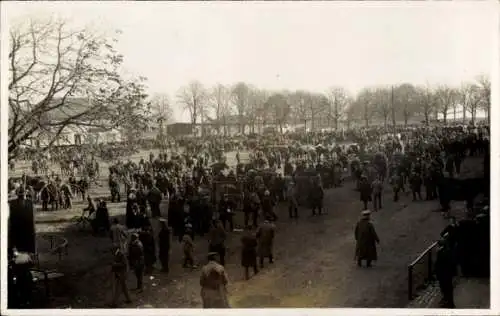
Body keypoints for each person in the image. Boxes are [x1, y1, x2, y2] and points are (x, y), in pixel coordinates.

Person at [435, 238, 456, 308]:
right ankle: (449, 302)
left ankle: (448, 302)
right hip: (448, 274)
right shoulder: (449, 251)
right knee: (448, 289)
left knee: (445, 289)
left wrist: (437, 273)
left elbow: (439, 265)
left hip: (443, 274)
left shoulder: (441, 253)